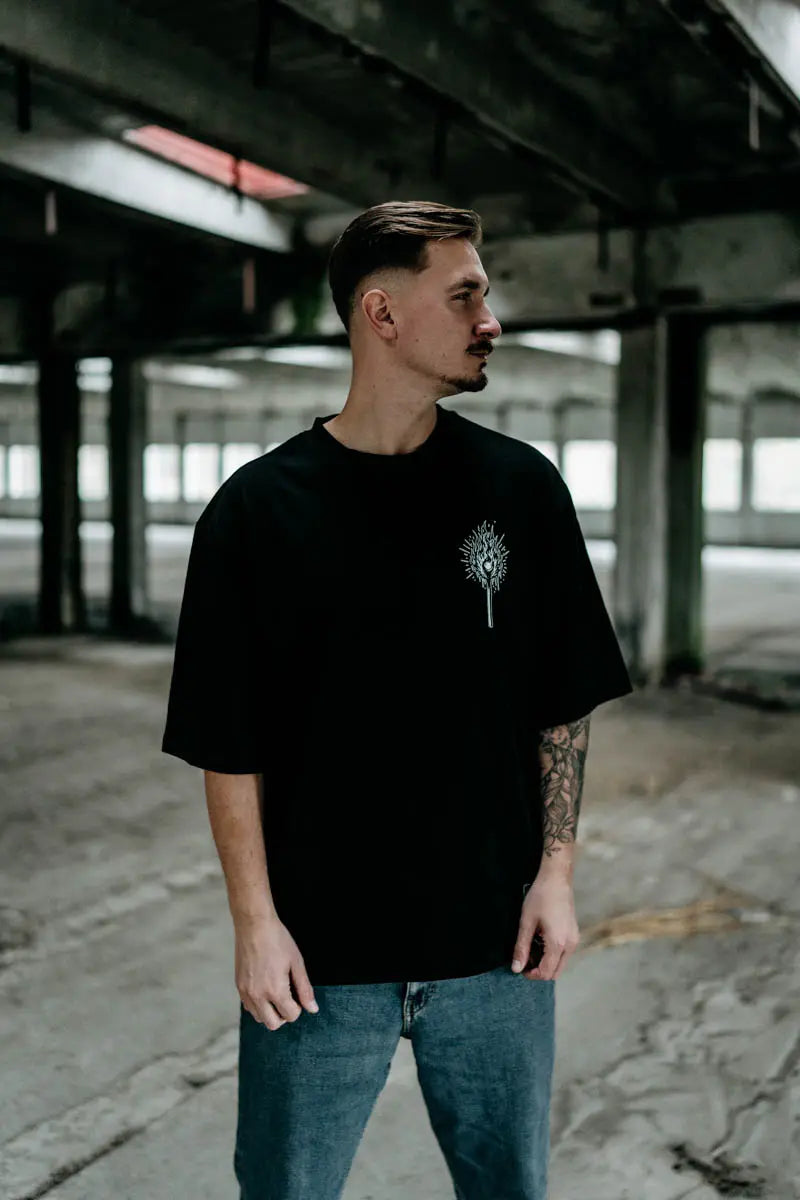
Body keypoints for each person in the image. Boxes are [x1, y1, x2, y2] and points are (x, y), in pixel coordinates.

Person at [161, 200, 633, 1200]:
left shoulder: (521, 490)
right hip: (317, 962)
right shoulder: (255, 513)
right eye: (463, 296)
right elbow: (228, 741)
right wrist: (254, 924)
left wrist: (555, 876)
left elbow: (560, 703)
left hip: (496, 953)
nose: (489, 320)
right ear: (380, 313)